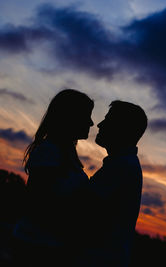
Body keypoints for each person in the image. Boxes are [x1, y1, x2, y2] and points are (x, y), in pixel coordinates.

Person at [12, 89, 94, 266]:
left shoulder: (66, 154)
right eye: (86, 116)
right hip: (35, 247)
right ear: (71, 117)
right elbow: (37, 204)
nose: (91, 122)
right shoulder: (48, 152)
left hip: (49, 247)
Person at [87, 100, 148, 267]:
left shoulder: (121, 167)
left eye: (108, 120)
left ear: (122, 129)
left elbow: (81, 208)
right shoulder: (123, 164)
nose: (99, 124)